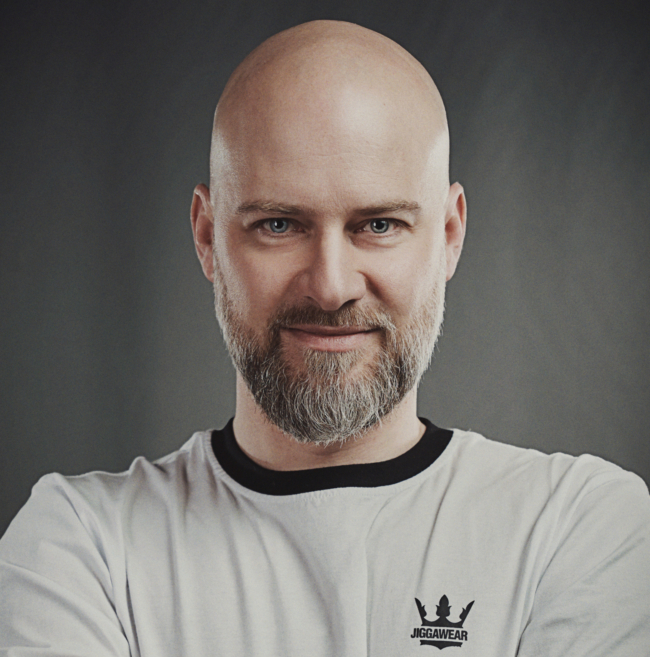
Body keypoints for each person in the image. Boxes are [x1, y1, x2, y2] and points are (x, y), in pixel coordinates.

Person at [1, 20, 649, 656]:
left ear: (449, 236)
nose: (331, 286)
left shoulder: (576, 525)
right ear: (207, 237)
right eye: (279, 224)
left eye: (379, 224)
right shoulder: (81, 544)